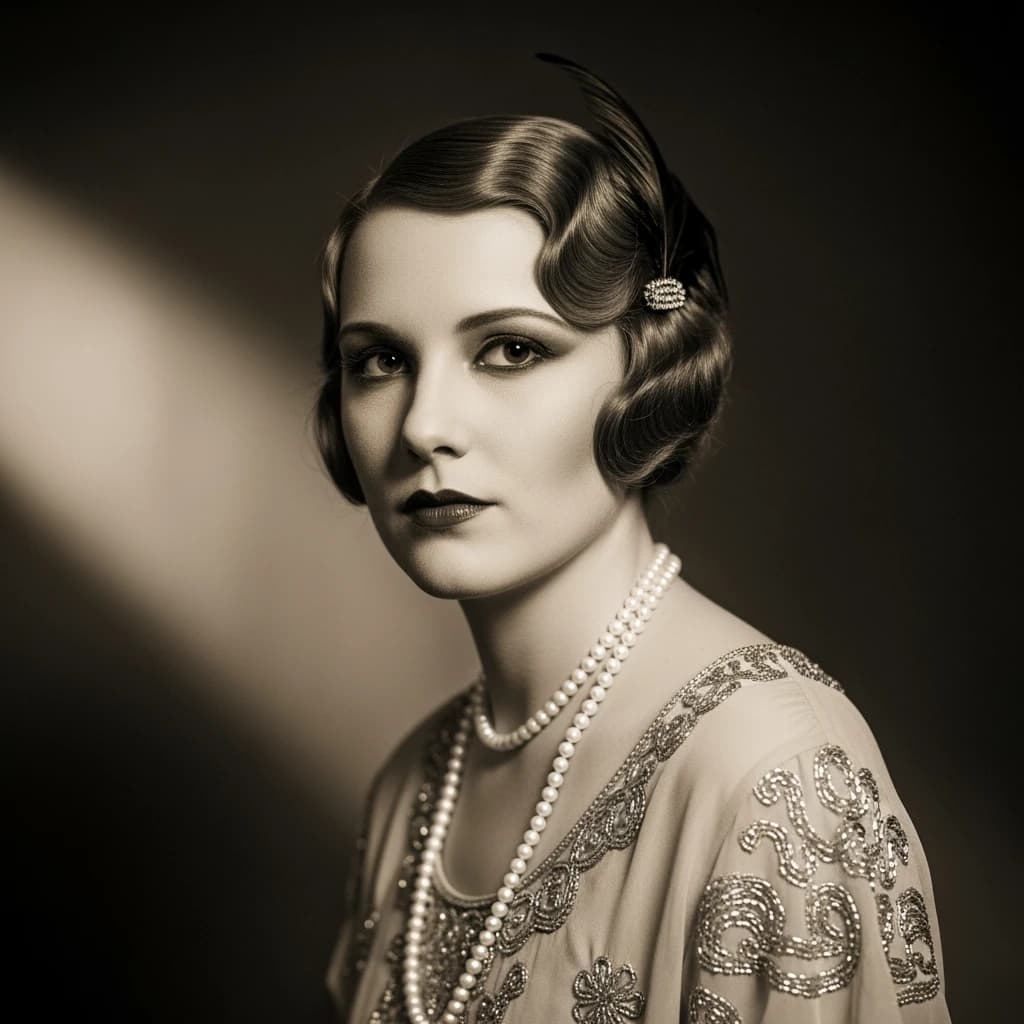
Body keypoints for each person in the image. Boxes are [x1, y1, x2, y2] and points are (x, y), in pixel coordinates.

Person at [313, 54, 950, 1024]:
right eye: (380, 360)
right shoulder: (414, 784)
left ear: (649, 369)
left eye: (512, 349)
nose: (422, 424)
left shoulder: (771, 775)